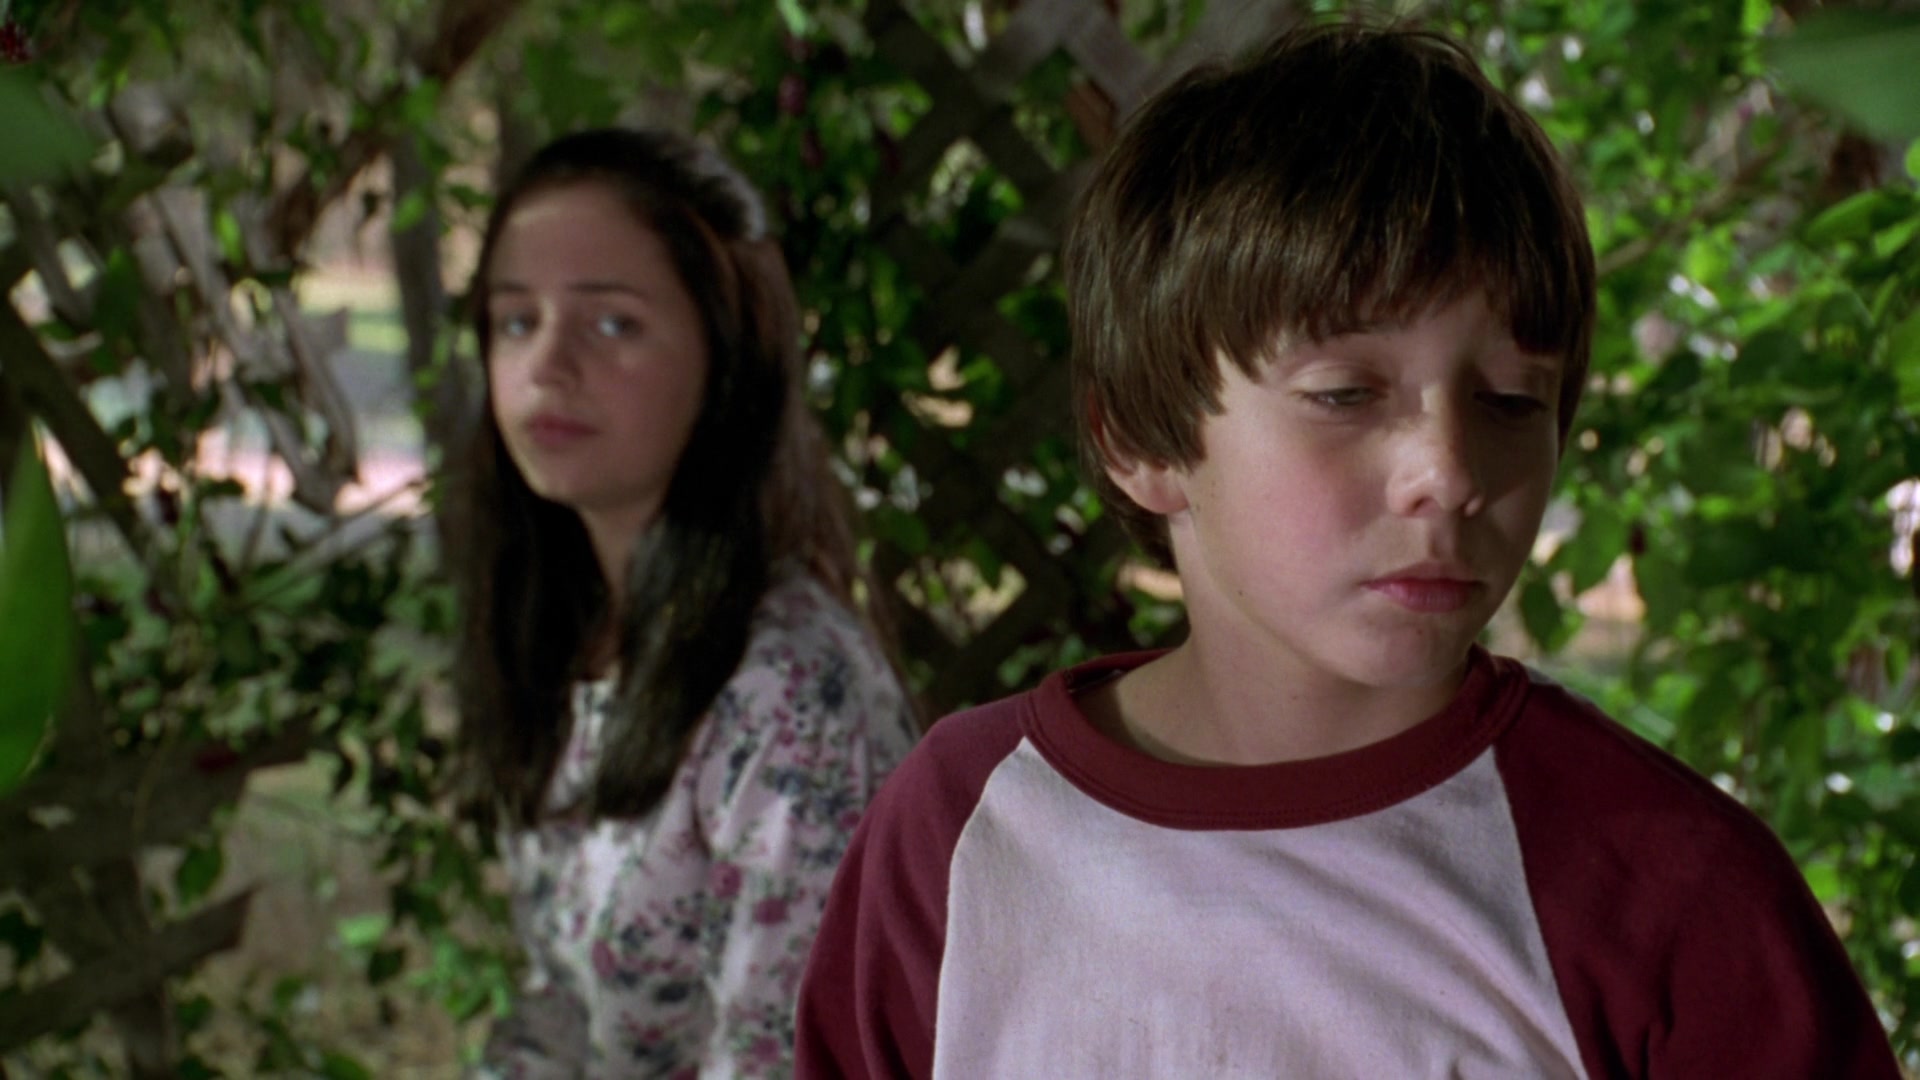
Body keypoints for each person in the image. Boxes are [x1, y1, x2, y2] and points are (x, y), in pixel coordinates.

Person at [792, 21, 1901, 1079]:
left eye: (1512, 400)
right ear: (1139, 441)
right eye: (1345, 394)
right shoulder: (961, 830)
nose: (1449, 470)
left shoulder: (1671, 892)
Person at [450, 127, 919, 1078]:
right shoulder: (573, 632)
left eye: (613, 324)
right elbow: (560, 1011)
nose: (547, 364)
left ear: (727, 355)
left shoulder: (790, 693)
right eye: (516, 319)